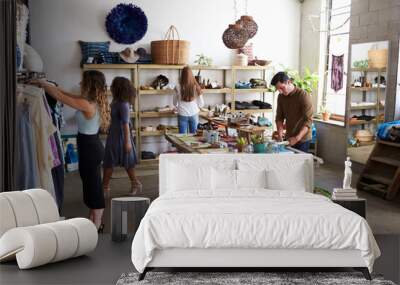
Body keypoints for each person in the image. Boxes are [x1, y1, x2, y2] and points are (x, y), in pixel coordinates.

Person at [31, 70, 110, 232]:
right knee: (90, 184)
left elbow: (62, 98)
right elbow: (66, 94)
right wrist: (51, 85)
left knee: (93, 186)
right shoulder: (88, 100)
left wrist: (44, 84)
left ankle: (98, 222)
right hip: (89, 146)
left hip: (90, 148)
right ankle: (93, 218)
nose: (81, 84)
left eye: (83, 81)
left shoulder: (88, 104)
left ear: (90, 84)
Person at [102, 77, 141, 197]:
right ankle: (105, 187)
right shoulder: (116, 101)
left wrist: (128, 142)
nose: (111, 87)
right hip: (114, 135)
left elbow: (125, 124)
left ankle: (135, 184)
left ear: (118, 88)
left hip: (122, 137)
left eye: (113, 85)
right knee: (109, 162)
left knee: (127, 163)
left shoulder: (123, 104)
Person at [270, 71, 313, 152]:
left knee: (299, 163)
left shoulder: (303, 96)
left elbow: (308, 121)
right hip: (288, 137)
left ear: (289, 82)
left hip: (302, 138)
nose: (280, 91)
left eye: (281, 88)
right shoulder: (281, 97)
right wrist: (280, 133)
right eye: (278, 89)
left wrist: (297, 138)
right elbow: (279, 117)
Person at [173, 66, 204, 134]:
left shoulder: (177, 86)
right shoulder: (196, 86)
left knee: (182, 138)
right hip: (194, 113)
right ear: (192, 75)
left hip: (182, 113)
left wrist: (178, 105)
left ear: (182, 75)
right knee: (194, 138)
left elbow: (174, 103)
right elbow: (201, 104)